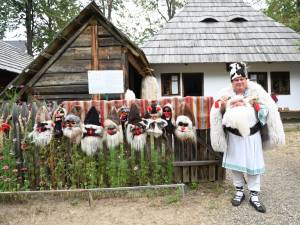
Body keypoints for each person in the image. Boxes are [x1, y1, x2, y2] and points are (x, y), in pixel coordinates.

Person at [210, 62, 285, 213]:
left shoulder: (257, 92)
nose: (239, 82)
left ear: (246, 79)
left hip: (253, 137)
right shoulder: (225, 94)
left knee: (253, 166)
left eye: (241, 79)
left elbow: (265, 114)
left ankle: (254, 196)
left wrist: (257, 106)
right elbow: (217, 113)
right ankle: (239, 192)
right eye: (235, 80)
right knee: (236, 166)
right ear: (232, 82)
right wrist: (223, 106)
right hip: (234, 136)